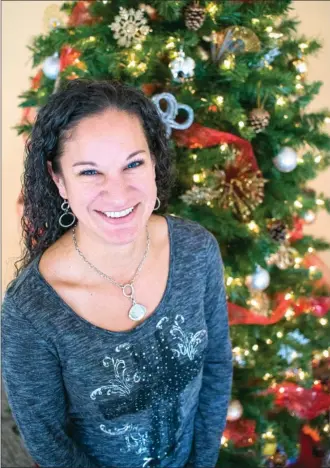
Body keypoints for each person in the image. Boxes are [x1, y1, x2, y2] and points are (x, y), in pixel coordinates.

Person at [2, 79, 233, 468]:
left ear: (154, 161)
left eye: (133, 163)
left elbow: (216, 366)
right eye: (90, 172)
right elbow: (50, 444)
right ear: (59, 179)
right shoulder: (30, 312)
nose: (119, 193)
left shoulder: (197, 250)